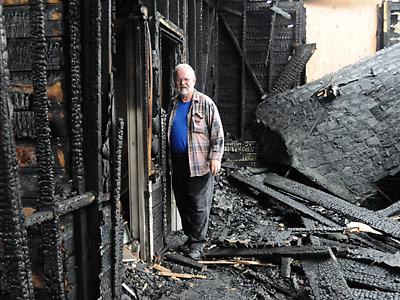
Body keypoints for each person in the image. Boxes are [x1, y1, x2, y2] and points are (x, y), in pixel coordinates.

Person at [167, 63, 224, 260]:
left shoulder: (206, 103)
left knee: (198, 204)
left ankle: (197, 245)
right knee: (182, 202)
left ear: (194, 81)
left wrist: (215, 158)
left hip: (200, 162)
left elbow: (217, 133)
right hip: (177, 162)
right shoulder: (173, 104)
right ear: (175, 82)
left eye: (186, 80)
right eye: (179, 80)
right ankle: (191, 237)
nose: (183, 83)